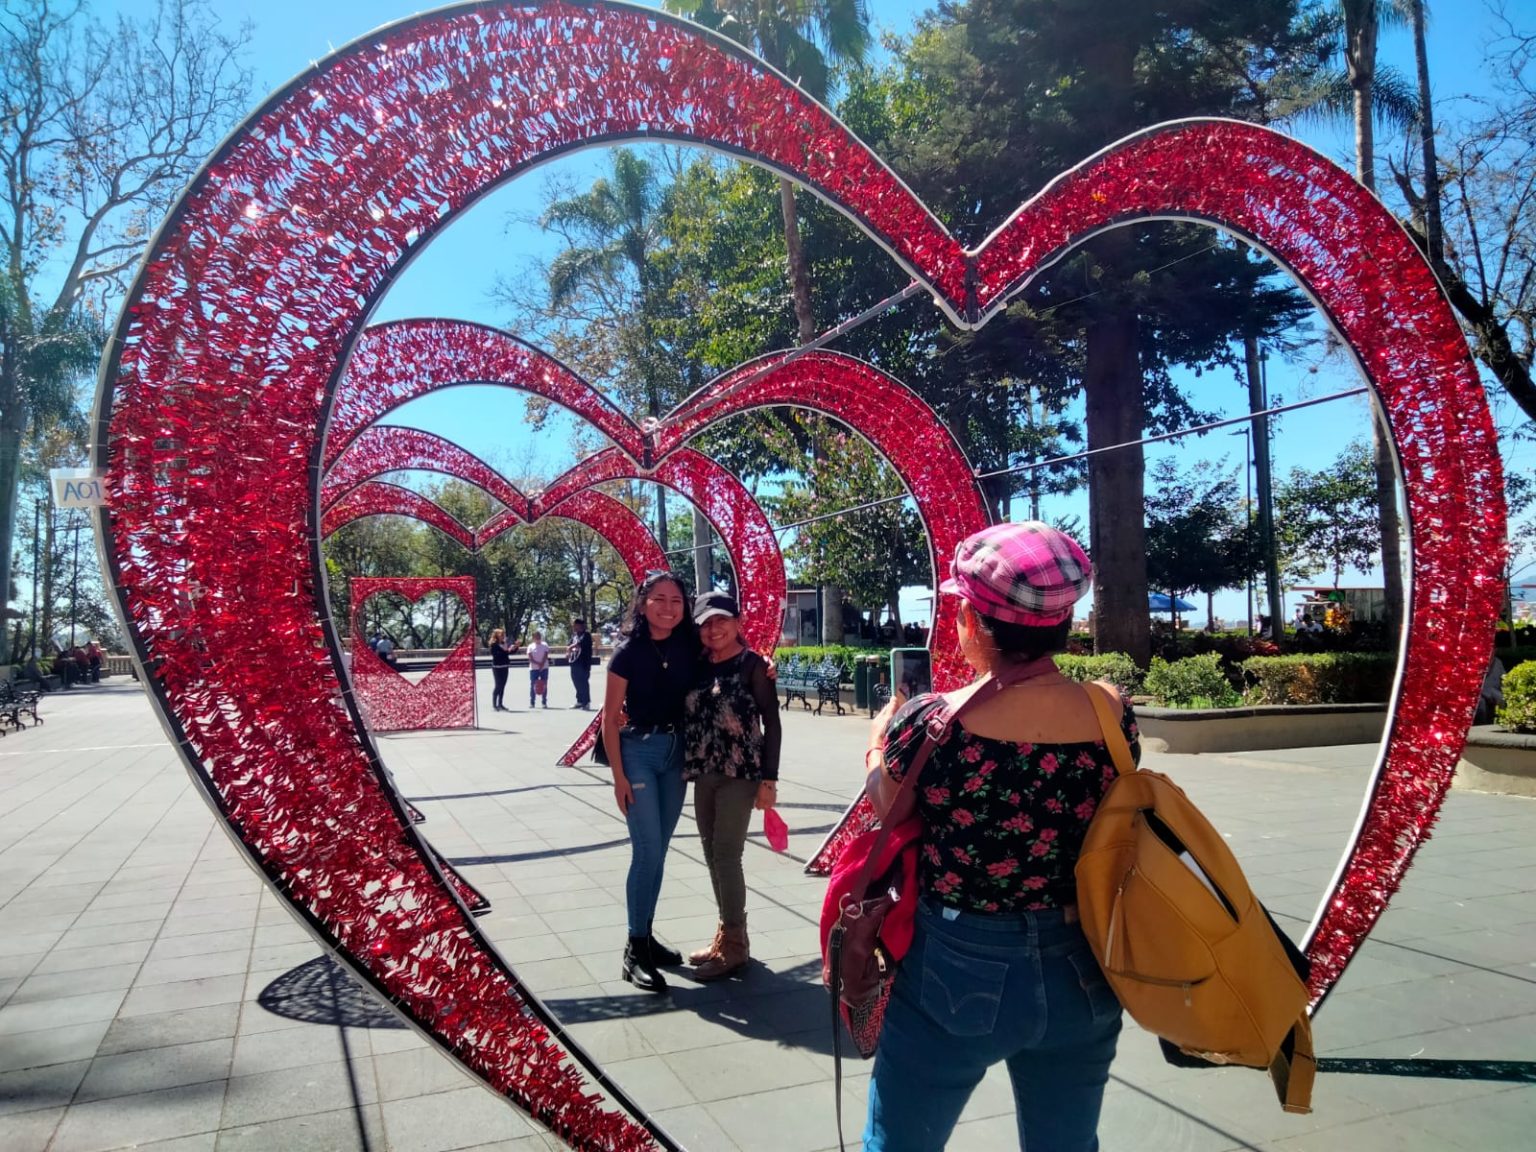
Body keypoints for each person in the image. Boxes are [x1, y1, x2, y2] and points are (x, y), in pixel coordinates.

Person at [861, 521, 1136, 1152]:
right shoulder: (1110, 711)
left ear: (974, 622)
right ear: (1063, 623)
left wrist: (877, 742)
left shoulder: (933, 720)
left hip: (957, 960)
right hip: (1085, 958)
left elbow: (888, 807)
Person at [602, 573, 699, 993]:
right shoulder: (627, 653)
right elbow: (609, 718)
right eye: (659, 599)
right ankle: (634, 949)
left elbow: (730, 652)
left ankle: (646, 936)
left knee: (659, 851)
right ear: (642, 604)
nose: (668, 607)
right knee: (646, 852)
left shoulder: (690, 645)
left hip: (676, 756)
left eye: (676, 600)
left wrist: (764, 667)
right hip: (638, 753)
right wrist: (618, 777)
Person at [682, 591, 782, 980]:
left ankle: (736, 946)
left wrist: (769, 780)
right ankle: (726, 933)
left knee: (726, 854)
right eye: (706, 623)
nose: (714, 629)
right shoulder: (697, 665)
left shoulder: (753, 666)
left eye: (721, 620)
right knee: (710, 853)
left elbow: (772, 723)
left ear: (737, 623)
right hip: (704, 771)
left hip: (741, 773)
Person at [568, 618, 594, 710]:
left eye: (575, 625)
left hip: (584, 663)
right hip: (574, 662)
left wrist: (571, 647)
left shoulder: (586, 635)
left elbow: (580, 644)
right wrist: (568, 652)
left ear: (580, 625)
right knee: (576, 681)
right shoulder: (574, 636)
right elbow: (569, 644)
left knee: (583, 682)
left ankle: (586, 702)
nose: (574, 627)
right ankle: (579, 701)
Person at [489, 628, 513, 711]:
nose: (503, 636)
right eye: (501, 635)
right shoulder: (494, 645)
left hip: (505, 666)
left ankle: (500, 704)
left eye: (504, 635)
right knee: (498, 685)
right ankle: (494, 705)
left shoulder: (504, 643)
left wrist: (514, 648)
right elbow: (497, 655)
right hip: (497, 667)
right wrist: (506, 650)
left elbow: (507, 653)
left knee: (503, 686)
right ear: (497, 635)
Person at [527, 630, 551, 708]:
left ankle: (544, 702)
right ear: (533, 638)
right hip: (533, 669)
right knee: (533, 685)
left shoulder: (545, 645)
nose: (538, 638)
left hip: (544, 668)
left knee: (544, 685)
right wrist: (538, 664)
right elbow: (530, 658)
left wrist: (542, 664)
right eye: (536, 637)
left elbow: (546, 655)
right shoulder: (530, 646)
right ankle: (532, 702)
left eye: (539, 636)